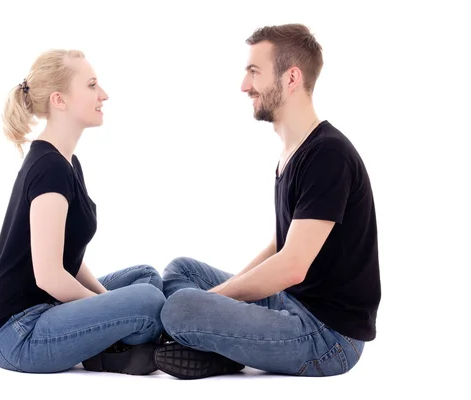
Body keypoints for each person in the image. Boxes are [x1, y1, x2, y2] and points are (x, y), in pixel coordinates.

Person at [153, 24, 381, 379]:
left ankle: (215, 342)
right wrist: (221, 297)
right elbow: (282, 243)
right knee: (182, 271)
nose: (245, 86)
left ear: (291, 78)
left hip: (328, 337)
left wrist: (218, 299)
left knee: (180, 309)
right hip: (291, 303)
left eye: (254, 72)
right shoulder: (294, 151)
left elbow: (291, 266)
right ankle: (223, 348)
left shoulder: (328, 154)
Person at [0, 49, 166, 375]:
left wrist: (109, 305)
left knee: (145, 278)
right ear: (59, 100)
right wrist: (113, 308)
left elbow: (67, 260)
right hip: (18, 333)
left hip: (45, 308)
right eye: (91, 85)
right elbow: (49, 276)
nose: (103, 95)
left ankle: (113, 341)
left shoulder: (65, 161)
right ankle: (112, 348)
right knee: (147, 302)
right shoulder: (50, 169)